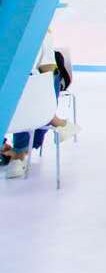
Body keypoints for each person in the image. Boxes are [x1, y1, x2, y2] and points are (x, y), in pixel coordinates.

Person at [3, 31, 79, 179]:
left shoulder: (41, 35)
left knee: (28, 87)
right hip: (21, 96)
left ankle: (19, 154)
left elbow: (47, 76)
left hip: (34, 92)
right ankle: (58, 123)